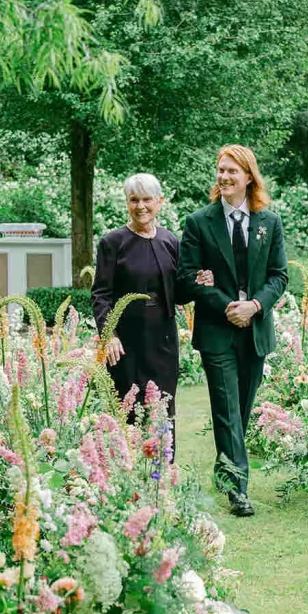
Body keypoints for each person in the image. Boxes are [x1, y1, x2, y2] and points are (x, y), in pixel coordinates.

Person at [177, 145, 288, 516]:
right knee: (226, 409)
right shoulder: (198, 223)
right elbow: (186, 278)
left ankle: (225, 473)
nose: (224, 177)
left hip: (254, 330)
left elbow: (279, 276)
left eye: (232, 171)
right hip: (217, 331)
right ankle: (239, 489)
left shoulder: (269, 223)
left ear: (249, 178)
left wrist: (254, 306)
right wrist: (226, 304)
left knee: (241, 408)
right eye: (220, 170)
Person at [92, 172, 212, 428]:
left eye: (147, 199)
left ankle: (164, 466)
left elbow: (178, 293)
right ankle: (129, 467)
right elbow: (101, 294)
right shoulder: (112, 243)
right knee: (128, 413)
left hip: (163, 343)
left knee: (162, 413)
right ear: (127, 203)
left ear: (160, 202)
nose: (140, 206)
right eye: (134, 200)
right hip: (125, 343)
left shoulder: (170, 241)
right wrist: (108, 334)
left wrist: (197, 284)